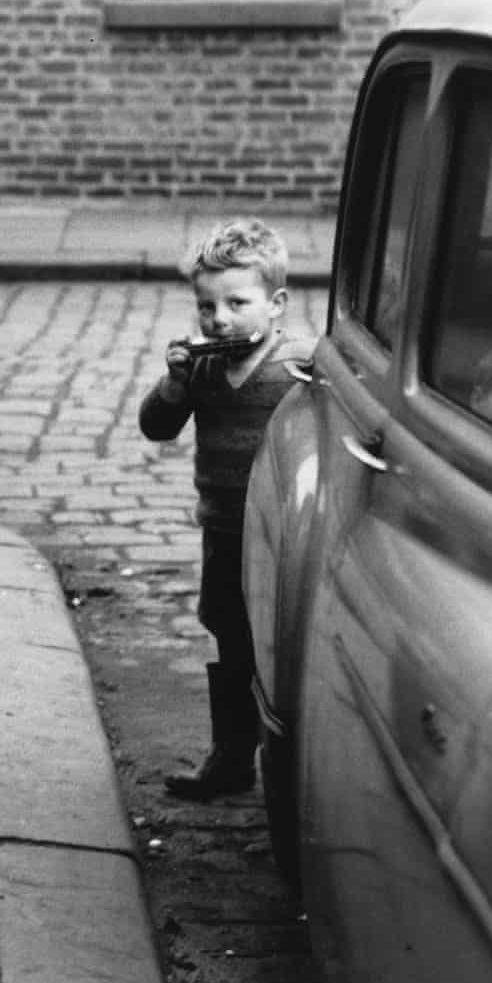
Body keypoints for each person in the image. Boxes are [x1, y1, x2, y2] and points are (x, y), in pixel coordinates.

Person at [138, 218, 314, 801]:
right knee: (231, 638)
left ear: (277, 303)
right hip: (224, 530)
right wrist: (173, 383)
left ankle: (296, 761)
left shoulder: (299, 366)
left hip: (284, 534)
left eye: (238, 303)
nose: (220, 319)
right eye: (207, 307)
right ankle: (232, 757)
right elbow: (156, 427)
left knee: (286, 644)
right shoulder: (203, 370)